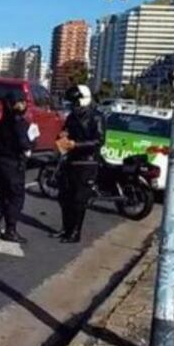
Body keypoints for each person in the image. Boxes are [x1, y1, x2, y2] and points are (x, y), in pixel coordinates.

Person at [0, 90, 38, 243]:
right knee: (16, 197)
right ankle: (11, 229)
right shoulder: (20, 123)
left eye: (23, 102)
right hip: (14, 164)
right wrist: (33, 139)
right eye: (19, 102)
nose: (22, 105)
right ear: (11, 105)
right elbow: (24, 144)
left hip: (0, 162)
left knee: (3, 195)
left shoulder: (3, 121)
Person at [55, 84, 104, 244]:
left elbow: (99, 141)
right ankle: (66, 228)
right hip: (70, 161)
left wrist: (76, 144)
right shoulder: (71, 117)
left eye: (75, 102)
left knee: (79, 199)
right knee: (65, 197)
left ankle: (75, 232)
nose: (73, 106)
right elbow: (65, 131)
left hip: (87, 163)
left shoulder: (96, 117)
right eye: (71, 103)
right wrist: (63, 135)